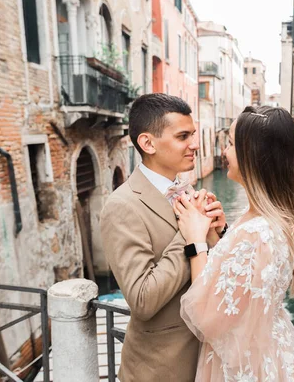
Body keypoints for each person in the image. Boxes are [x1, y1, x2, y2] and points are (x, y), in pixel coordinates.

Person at [174, 106, 294, 381]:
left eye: (230, 144)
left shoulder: (256, 232)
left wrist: (195, 241)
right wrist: (222, 236)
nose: (224, 152)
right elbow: (247, 285)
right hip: (270, 349)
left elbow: (207, 318)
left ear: (253, 155)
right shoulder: (275, 218)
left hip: (243, 363)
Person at [100, 93, 226, 382]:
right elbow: (142, 300)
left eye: (193, 135)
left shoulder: (186, 188)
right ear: (148, 143)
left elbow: (211, 276)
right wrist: (190, 235)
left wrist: (217, 233)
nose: (195, 144)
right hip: (160, 370)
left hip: (209, 361)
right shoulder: (122, 206)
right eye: (183, 136)